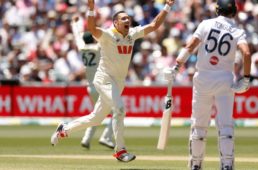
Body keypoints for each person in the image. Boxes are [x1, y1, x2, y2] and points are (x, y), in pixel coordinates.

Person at [51, 0, 175, 162]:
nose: (127, 21)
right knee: (120, 109)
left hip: (118, 82)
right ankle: (120, 151)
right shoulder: (108, 35)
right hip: (104, 79)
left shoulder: (132, 34)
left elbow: (154, 25)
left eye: (128, 19)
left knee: (96, 118)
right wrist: (90, 9)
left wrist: (167, 7)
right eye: (123, 19)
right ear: (115, 22)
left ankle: (64, 129)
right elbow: (92, 29)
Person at [165, 0, 251, 169]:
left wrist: (176, 67)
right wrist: (246, 78)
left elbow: (190, 47)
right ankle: (227, 165)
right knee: (225, 126)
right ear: (234, 12)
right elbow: (247, 53)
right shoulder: (237, 31)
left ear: (217, 10)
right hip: (225, 80)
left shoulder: (206, 24)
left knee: (198, 124)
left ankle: (195, 165)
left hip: (203, 78)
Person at [70, 15, 114, 150]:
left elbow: (78, 36)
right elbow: (105, 36)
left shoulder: (82, 49)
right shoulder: (98, 48)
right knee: (119, 111)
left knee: (97, 114)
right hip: (100, 85)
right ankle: (106, 137)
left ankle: (86, 139)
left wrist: (74, 24)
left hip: (90, 87)